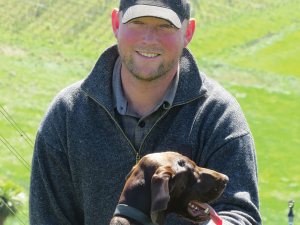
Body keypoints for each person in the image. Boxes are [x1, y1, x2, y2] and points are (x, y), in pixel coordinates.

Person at [29, 0, 262, 224]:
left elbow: (240, 214)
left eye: (165, 25)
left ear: (188, 32)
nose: (149, 39)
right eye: (138, 22)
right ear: (116, 23)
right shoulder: (67, 114)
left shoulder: (218, 115)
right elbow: (48, 218)